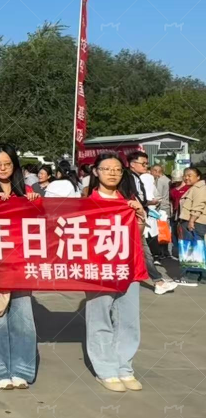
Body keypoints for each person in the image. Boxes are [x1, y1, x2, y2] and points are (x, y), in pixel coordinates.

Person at [0, 144, 40, 390]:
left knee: (23, 318)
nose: (3, 168)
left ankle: (22, 369)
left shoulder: (27, 191)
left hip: (21, 263)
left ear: (15, 166)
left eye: (8, 164)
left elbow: (41, 225)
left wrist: (36, 203)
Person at [85, 152, 148, 392]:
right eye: (106, 168)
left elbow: (137, 235)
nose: (112, 173)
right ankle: (105, 369)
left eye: (117, 169)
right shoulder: (86, 202)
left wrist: (140, 215)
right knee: (99, 318)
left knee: (128, 320)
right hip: (98, 269)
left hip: (128, 267)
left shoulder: (128, 201)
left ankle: (124, 367)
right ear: (96, 172)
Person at [127, 152, 176, 295]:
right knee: (142, 251)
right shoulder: (127, 178)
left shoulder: (138, 178)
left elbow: (139, 198)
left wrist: (146, 205)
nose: (146, 166)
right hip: (132, 220)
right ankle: (157, 281)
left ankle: (157, 281)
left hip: (139, 218)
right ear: (132, 164)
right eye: (143, 163)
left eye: (146, 163)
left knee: (142, 251)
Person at [179, 167, 206, 252]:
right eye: (185, 176)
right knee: (192, 248)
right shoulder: (193, 187)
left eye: (189, 176)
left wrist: (191, 221)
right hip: (193, 222)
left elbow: (198, 205)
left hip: (196, 223)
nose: (186, 178)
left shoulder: (200, 188)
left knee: (196, 249)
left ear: (198, 177)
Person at [150, 165, 172, 260]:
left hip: (161, 209)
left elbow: (158, 196)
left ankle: (162, 252)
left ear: (156, 171)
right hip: (166, 207)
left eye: (151, 171)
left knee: (161, 230)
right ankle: (166, 251)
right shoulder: (167, 180)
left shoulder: (160, 181)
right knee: (166, 230)